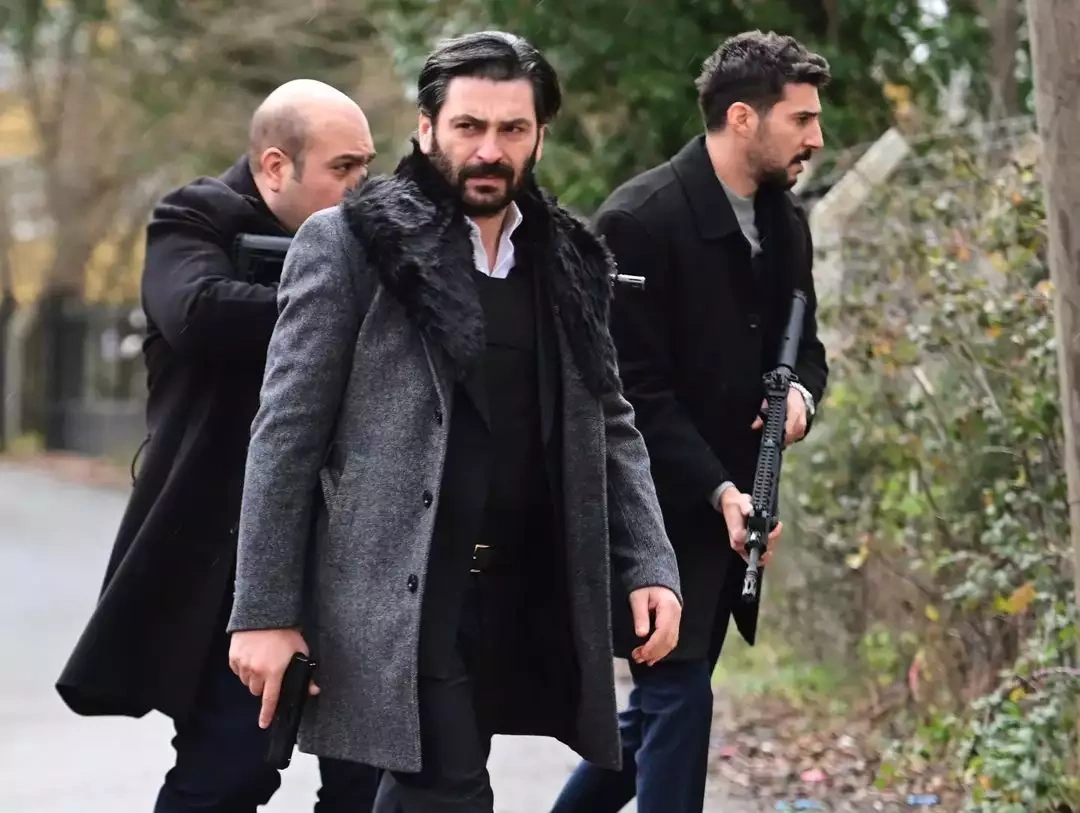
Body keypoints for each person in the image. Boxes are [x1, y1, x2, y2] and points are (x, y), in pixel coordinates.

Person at [224, 31, 684, 813]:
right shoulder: (349, 244)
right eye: (469, 126)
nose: (489, 150)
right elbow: (286, 433)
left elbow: (611, 422)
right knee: (454, 794)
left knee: (426, 792)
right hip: (399, 601)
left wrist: (650, 561)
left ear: (540, 136)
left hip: (518, 593)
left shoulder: (569, 262)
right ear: (426, 128)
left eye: (512, 129)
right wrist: (264, 612)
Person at [55, 79, 382, 813]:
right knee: (227, 772)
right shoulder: (193, 218)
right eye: (343, 168)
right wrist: (346, 302)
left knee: (369, 786)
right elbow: (198, 313)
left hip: (356, 550)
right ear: (275, 166)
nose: (361, 184)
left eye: (366, 164)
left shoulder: (373, 230)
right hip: (228, 551)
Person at [551, 30, 831, 813]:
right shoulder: (637, 220)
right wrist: (718, 489)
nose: (816, 137)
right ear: (742, 118)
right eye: (801, 118)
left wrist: (801, 401)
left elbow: (806, 349)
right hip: (651, 510)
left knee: (658, 712)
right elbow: (630, 392)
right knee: (677, 694)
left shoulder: (786, 222)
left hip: (736, 511)